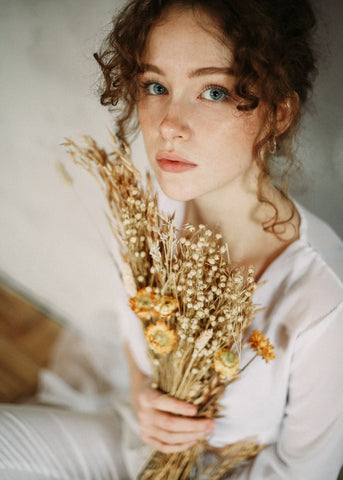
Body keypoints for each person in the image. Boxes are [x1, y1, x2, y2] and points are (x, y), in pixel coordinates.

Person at [0, 0, 342, 479]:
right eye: (156, 86)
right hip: (128, 436)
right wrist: (143, 395)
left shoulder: (324, 300)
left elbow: (302, 473)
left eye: (214, 92)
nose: (167, 126)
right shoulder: (150, 211)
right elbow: (131, 331)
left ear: (278, 113)